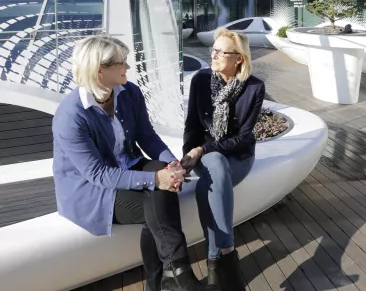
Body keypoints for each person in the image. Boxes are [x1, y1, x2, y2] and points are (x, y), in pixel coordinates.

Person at [52, 35, 204, 291]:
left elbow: (147, 137)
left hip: (126, 167)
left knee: (161, 181)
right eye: (121, 63)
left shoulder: (129, 92)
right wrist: (157, 180)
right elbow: (98, 174)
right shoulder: (70, 116)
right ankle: (175, 276)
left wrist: (173, 166)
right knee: (156, 199)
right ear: (100, 70)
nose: (128, 68)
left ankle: (172, 276)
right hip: (92, 191)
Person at [181, 29, 265, 291]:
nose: (213, 55)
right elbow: (192, 125)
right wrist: (190, 153)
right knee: (214, 163)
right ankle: (227, 253)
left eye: (220, 52)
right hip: (205, 155)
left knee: (210, 176)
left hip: (238, 156)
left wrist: (203, 150)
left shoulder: (254, 88)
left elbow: (242, 137)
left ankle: (216, 266)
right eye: (213, 50)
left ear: (238, 58)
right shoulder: (201, 80)